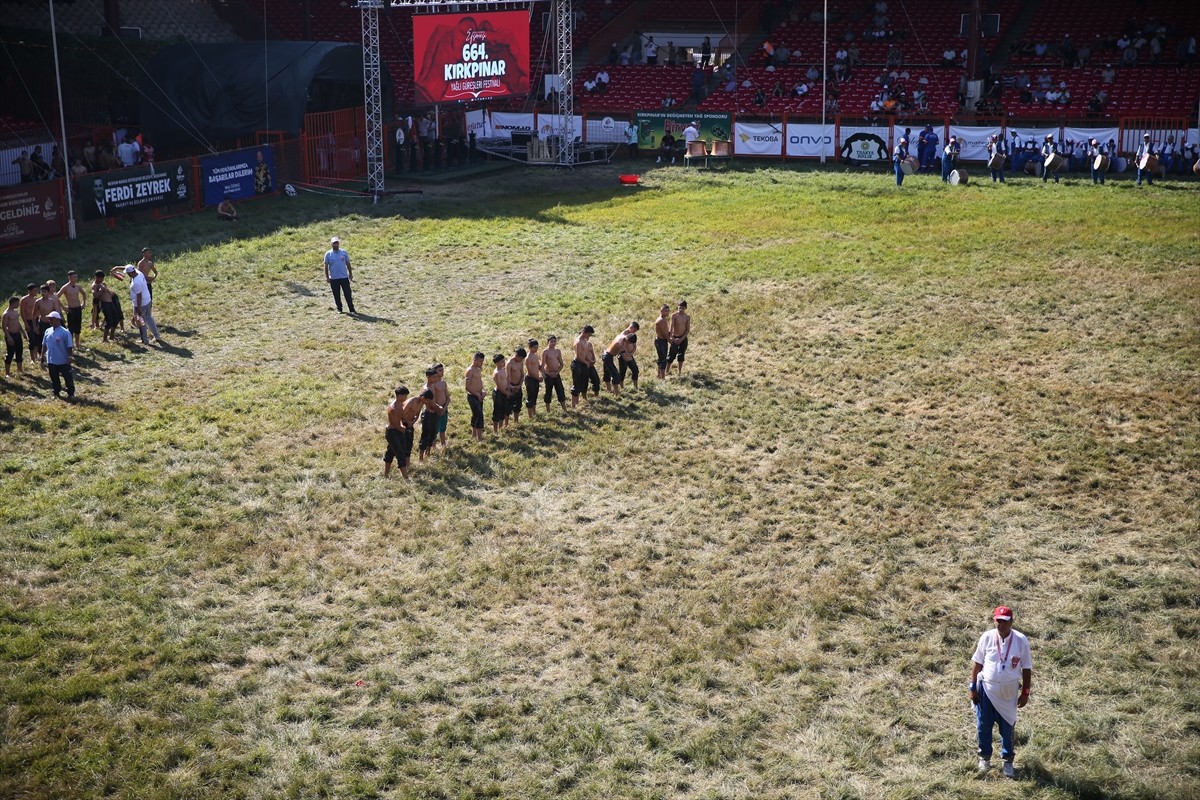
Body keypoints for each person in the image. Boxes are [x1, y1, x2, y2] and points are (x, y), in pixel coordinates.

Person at [970, 606, 1033, 778]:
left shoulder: (1021, 640)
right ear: (994, 620)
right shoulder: (987, 637)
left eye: (1005, 621)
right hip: (987, 690)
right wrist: (972, 687)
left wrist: (1025, 692)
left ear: (1011, 622)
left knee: (1007, 728)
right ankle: (984, 758)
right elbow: (977, 664)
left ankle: (1008, 761)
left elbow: (1026, 668)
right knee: (983, 726)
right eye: (998, 621)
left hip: (1009, 692)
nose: (1001, 625)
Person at [123, 264, 162, 345]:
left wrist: (139, 309)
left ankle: (144, 340)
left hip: (140, 304)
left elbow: (139, 296)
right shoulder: (139, 273)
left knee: (140, 322)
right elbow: (127, 267)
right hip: (148, 300)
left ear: (129, 274)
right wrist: (116, 268)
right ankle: (157, 336)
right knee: (149, 317)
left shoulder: (135, 283)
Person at [40, 311, 74, 400]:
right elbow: (44, 345)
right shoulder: (48, 331)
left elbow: (69, 346)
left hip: (63, 360)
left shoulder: (65, 332)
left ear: (58, 320)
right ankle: (56, 392)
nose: (50, 321)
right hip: (51, 360)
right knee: (54, 378)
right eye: (49, 319)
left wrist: (70, 357)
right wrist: (42, 356)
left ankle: (71, 393)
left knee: (67, 377)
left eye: (51, 319)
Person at [383, 386, 415, 479]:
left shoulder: (399, 404)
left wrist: (407, 422)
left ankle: (386, 475)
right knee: (400, 454)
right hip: (393, 433)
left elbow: (401, 416)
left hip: (397, 431)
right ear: (400, 395)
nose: (406, 398)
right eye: (405, 396)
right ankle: (406, 478)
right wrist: (404, 430)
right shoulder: (393, 408)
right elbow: (395, 424)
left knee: (390, 452)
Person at [418, 367, 446, 461]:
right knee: (425, 436)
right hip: (428, 414)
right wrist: (439, 408)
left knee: (433, 434)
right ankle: (421, 458)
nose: (435, 379)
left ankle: (428, 453)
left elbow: (434, 402)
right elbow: (430, 404)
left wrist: (438, 408)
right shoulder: (427, 389)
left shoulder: (432, 387)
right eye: (433, 377)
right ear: (428, 377)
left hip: (434, 414)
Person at [602, 323, 638, 396]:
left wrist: (629, 354)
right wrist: (629, 357)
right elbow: (624, 357)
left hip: (608, 355)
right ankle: (617, 394)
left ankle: (610, 391)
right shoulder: (621, 342)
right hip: (607, 356)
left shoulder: (624, 338)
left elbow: (626, 352)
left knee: (607, 373)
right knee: (615, 375)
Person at [323, 236, 356, 314]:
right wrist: (327, 277)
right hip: (334, 278)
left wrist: (350, 273)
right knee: (336, 294)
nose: (336, 244)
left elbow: (348, 263)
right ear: (331, 244)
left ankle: (351, 309)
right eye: (334, 243)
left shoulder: (343, 252)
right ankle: (339, 308)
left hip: (344, 277)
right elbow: (326, 266)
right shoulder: (328, 254)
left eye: (337, 243)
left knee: (348, 293)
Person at [570, 325, 599, 408]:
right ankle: (573, 405)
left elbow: (585, 353)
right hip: (578, 364)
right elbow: (579, 356)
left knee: (584, 383)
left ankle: (583, 399)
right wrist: (586, 362)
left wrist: (590, 360)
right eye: (589, 334)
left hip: (584, 363)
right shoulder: (578, 341)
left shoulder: (585, 340)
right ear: (584, 332)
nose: (589, 336)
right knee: (576, 385)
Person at [57, 271, 86, 342]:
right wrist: (63, 307)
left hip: (78, 308)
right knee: (71, 328)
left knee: (78, 327)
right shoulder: (65, 287)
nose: (76, 278)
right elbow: (56, 297)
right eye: (74, 277)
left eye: (76, 277)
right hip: (71, 309)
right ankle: (70, 344)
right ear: (69, 277)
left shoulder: (78, 286)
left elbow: (84, 294)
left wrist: (83, 303)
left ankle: (77, 344)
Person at [541, 335, 568, 412]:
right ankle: (548, 410)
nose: (553, 343)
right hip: (548, 374)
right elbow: (542, 367)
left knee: (560, 390)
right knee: (548, 391)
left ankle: (564, 408)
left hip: (556, 374)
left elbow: (561, 364)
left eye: (554, 341)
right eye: (551, 341)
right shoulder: (545, 352)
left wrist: (557, 372)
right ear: (548, 342)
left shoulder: (557, 351)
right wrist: (549, 374)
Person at [92, 270, 120, 342]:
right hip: (104, 304)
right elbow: (95, 295)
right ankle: (104, 339)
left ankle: (112, 336)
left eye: (102, 278)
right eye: (100, 278)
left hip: (110, 302)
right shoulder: (95, 285)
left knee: (116, 320)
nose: (102, 280)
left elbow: (109, 293)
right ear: (96, 278)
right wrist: (101, 290)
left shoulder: (102, 283)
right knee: (109, 321)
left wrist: (107, 290)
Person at [464, 353, 486, 442]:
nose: (482, 363)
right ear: (475, 360)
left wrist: (482, 391)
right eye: (480, 361)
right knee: (479, 415)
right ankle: (479, 438)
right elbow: (467, 387)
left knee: (476, 415)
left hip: (479, 395)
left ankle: (474, 435)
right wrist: (477, 394)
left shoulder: (478, 369)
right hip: (473, 396)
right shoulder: (470, 370)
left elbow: (479, 382)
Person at [666, 301, 691, 376]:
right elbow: (671, 327)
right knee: (671, 355)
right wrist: (672, 338)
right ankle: (667, 370)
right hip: (675, 337)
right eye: (679, 307)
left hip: (683, 338)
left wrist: (682, 339)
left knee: (681, 355)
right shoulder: (674, 315)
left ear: (685, 308)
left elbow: (687, 330)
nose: (681, 309)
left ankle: (679, 371)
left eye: (682, 308)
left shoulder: (687, 317)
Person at [19, 284, 41, 363]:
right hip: (28, 321)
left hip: (36, 320)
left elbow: (38, 310)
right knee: (32, 340)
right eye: (34, 290)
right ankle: (32, 358)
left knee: (38, 338)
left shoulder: (37, 299)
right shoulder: (24, 299)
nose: (36, 292)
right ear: (29, 291)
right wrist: (26, 323)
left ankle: (37, 356)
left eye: (36, 290)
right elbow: (22, 312)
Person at [431, 363, 451, 449]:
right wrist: (438, 408)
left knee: (443, 428)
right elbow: (433, 400)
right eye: (439, 370)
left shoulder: (443, 383)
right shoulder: (433, 385)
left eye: (442, 370)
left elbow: (448, 397)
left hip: (444, 408)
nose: (442, 372)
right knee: (434, 430)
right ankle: (433, 447)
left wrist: (445, 407)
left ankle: (443, 445)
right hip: (436, 410)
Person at [3, 297, 23, 377]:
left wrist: (23, 332)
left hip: (18, 334)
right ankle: (7, 373)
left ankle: (20, 370)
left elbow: (18, 323)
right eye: (17, 303)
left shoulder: (15, 312)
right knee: (10, 353)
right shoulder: (6, 314)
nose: (18, 305)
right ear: (13, 303)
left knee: (19, 351)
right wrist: (9, 337)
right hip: (11, 335)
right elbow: (4, 327)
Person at [524, 339, 543, 419]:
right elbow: (530, 371)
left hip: (536, 378)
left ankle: (534, 412)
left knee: (535, 396)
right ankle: (530, 416)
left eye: (537, 347)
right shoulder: (528, 358)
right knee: (530, 397)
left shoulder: (535, 355)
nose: (536, 349)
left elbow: (538, 366)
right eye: (535, 347)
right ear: (530, 347)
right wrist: (538, 378)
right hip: (530, 379)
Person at [491, 353, 510, 433]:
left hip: (504, 392)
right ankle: (495, 430)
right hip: (499, 393)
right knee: (497, 411)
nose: (504, 362)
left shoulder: (503, 369)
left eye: (504, 361)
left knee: (503, 410)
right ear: (497, 363)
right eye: (502, 361)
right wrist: (506, 393)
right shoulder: (497, 373)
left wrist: (508, 388)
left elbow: (505, 381)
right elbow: (499, 386)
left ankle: (501, 427)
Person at [653, 304, 671, 378]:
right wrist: (669, 340)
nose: (667, 312)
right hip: (661, 341)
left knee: (661, 358)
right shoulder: (661, 321)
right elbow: (664, 334)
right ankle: (662, 377)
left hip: (661, 341)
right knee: (663, 359)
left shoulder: (663, 320)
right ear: (661, 311)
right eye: (665, 311)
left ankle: (659, 374)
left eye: (668, 311)